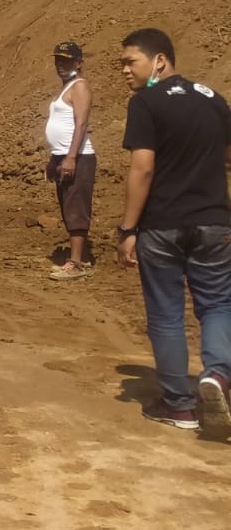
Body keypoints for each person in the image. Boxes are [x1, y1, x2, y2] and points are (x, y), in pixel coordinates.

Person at [115, 27, 231, 433]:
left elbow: (142, 169)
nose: (125, 70)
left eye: (131, 61)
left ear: (159, 60)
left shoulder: (146, 103)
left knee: (166, 315)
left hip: (162, 225)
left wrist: (127, 228)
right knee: (217, 305)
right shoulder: (214, 100)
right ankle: (216, 375)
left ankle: (179, 405)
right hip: (214, 223)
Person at [46, 41, 97, 279]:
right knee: (68, 206)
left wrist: (71, 157)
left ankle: (75, 264)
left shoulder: (80, 87)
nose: (61, 65)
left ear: (79, 63)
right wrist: (54, 158)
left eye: (66, 61)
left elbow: (82, 124)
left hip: (78, 157)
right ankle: (80, 258)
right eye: (58, 61)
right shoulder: (66, 88)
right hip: (63, 156)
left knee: (76, 208)